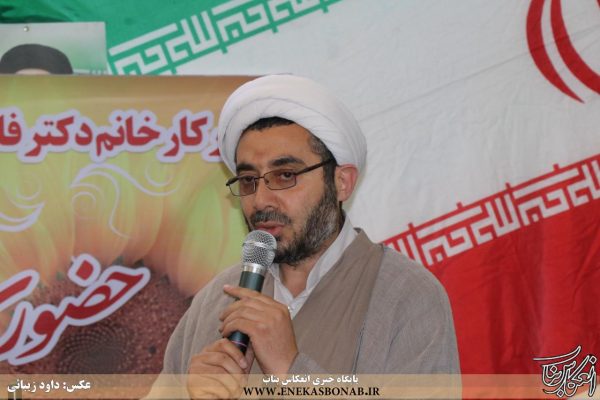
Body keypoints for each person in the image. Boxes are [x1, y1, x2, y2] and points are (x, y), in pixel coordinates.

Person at [153, 75, 460, 399]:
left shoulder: (406, 295)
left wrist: (291, 370)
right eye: (248, 180)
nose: (261, 200)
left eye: (285, 175)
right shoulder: (216, 299)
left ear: (342, 182)